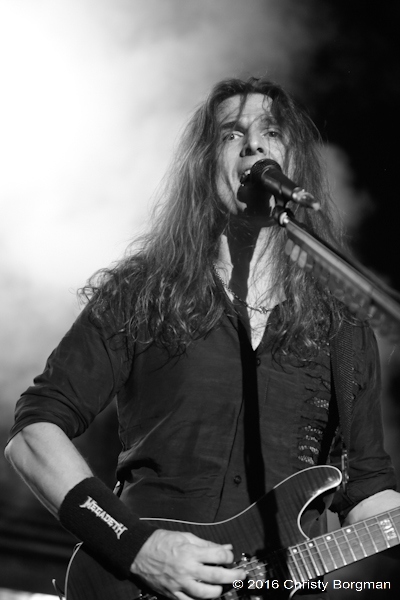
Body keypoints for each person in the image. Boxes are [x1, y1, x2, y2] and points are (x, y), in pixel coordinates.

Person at [5, 77, 400, 599]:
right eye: (232, 134)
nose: (254, 145)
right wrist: (136, 547)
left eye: (272, 132)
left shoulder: (343, 327)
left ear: (295, 165)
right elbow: (34, 434)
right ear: (204, 165)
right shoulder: (143, 292)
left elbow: (367, 494)